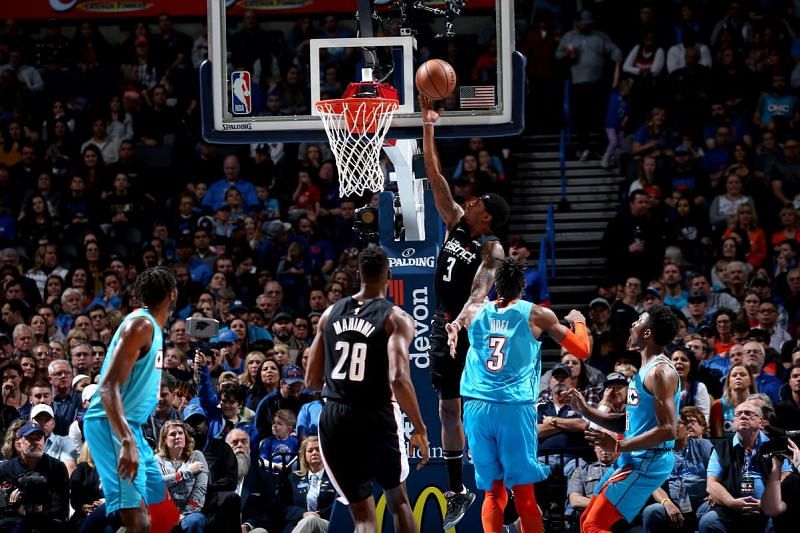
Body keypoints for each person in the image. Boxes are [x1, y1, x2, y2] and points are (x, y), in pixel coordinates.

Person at [445, 257, 590, 532]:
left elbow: (456, 317)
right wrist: (579, 322)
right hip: (513, 407)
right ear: (523, 286)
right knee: (524, 494)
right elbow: (582, 350)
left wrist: (453, 330)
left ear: (495, 287)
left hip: (476, 407)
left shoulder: (475, 311)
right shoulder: (537, 314)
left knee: (492, 493)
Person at [420, 94, 509, 526]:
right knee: (446, 409)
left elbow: (480, 291)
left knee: (480, 409)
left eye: (479, 204)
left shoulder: (493, 247)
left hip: (470, 332)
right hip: (444, 327)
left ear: (488, 217)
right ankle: (458, 490)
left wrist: (460, 322)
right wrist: (428, 125)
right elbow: (434, 175)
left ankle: (500, 481)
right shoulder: (456, 220)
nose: (470, 202)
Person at [305, 247, 430, 533]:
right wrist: (420, 428)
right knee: (398, 500)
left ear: (357, 274)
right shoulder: (395, 317)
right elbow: (398, 377)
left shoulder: (328, 315)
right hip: (376, 412)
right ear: (389, 274)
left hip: (335, 415)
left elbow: (311, 380)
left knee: (362, 515)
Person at [567, 304, 681, 532]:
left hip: (648, 460)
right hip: (633, 456)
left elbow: (669, 430)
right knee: (587, 518)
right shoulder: (643, 370)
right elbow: (627, 422)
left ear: (647, 333)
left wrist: (619, 444)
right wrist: (587, 411)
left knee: (593, 525)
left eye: (638, 322)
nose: (632, 325)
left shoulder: (660, 372)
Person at [83, 267, 180, 532]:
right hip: (110, 424)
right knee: (138, 521)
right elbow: (107, 387)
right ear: (172, 294)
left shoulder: (154, 328)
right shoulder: (141, 324)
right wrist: (126, 439)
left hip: (130, 425)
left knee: (164, 514)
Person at [155, 420, 208, 533]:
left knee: (193, 522)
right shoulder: (157, 460)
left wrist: (184, 514)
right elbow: (157, 484)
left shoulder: (197, 456)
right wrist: (185, 473)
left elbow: (200, 489)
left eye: (180, 433)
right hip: (165, 511)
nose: (177, 436)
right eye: (172, 434)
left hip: (190, 511)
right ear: (164, 440)